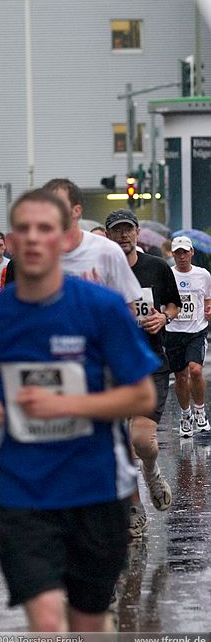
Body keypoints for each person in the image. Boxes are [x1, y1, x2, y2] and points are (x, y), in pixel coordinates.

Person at [0, 189, 157, 633]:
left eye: (45, 229)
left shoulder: (101, 309)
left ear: (63, 239)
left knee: (89, 623)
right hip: (21, 492)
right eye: (24, 230)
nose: (33, 239)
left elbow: (143, 396)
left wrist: (67, 405)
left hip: (95, 489)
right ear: (10, 241)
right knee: (48, 624)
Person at [106, 209, 181, 538]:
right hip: (111, 367)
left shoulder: (157, 267)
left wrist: (163, 317)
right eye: (117, 231)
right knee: (118, 443)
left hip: (150, 362)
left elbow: (174, 304)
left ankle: (151, 473)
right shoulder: (101, 273)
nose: (123, 235)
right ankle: (134, 505)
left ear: (137, 233)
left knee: (140, 439)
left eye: (128, 230)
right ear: (108, 236)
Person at [42, 178, 142, 307]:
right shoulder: (35, 255)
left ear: (76, 211)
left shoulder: (108, 252)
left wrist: (98, 299)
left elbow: (129, 311)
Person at [165, 235, 211, 438]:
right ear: (172, 254)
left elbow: (208, 299)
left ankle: (200, 410)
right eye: (178, 253)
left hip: (197, 330)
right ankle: (186, 415)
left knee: (195, 370)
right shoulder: (167, 275)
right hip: (174, 331)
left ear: (192, 252)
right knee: (181, 377)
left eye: (185, 252)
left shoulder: (203, 275)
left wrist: (209, 309)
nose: (182, 256)